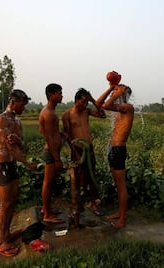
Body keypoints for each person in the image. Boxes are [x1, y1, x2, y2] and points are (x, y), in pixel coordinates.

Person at [0, 89, 37, 257]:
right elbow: (9, 146)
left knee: (12, 201)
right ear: (12, 102)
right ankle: (1, 242)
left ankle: (7, 234)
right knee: (5, 204)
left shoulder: (17, 121)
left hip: (12, 164)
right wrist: (26, 163)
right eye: (22, 104)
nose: (23, 108)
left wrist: (20, 141)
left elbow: (20, 144)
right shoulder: (1, 119)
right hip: (2, 164)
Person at [62, 88, 106, 226]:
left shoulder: (86, 111)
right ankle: (77, 205)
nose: (85, 105)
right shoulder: (67, 115)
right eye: (83, 102)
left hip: (89, 149)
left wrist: (93, 100)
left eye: (87, 102)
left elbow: (102, 115)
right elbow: (67, 136)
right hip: (77, 150)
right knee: (78, 179)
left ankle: (93, 204)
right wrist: (74, 152)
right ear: (76, 101)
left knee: (91, 176)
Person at [96, 73, 134, 229]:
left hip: (119, 149)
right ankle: (120, 212)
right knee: (118, 185)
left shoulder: (127, 108)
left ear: (124, 94)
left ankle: (123, 218)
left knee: (121, 185)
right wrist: (111, 88)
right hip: (114, 148)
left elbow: (105, 105)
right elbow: (99, 103)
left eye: (118, 91)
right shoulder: (119, 110)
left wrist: (117, 93)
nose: (114, 93)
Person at [39, 83, 66, 224]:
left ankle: (46, 209)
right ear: (51, 95)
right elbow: (48, 138)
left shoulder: (51, 111)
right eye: (59, 93)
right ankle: (47, 214)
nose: (61, 95)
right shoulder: (48, 113)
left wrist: (60, 134)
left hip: (53, 151)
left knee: (50, 183)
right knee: (47, 183)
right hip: (51, 153)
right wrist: (57, 159)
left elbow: (47, 132)